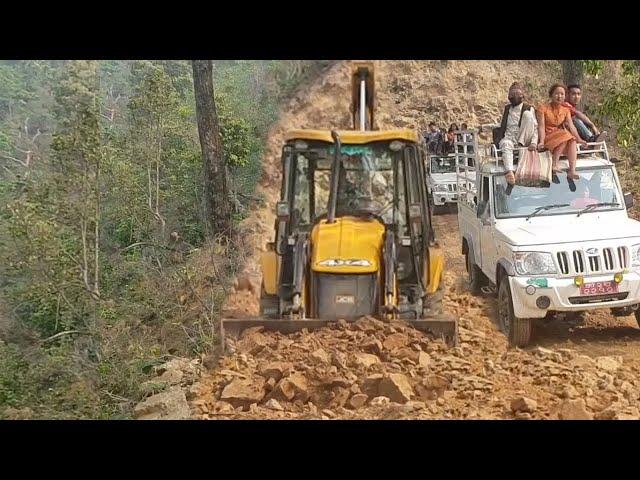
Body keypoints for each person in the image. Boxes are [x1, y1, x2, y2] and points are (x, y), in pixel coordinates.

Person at [536, 83, 587, 182]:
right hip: (548, 136)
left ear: (565, 96)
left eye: (562, 94)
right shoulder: (543, 108)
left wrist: (579, 139)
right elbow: (541, 126)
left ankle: (572, 170)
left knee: (572, 140)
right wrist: (541, 141)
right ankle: (554, 164)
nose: (559, 96)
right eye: (557, 94)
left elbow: (571, 126)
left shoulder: (566, 110)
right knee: (566, 136)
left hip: (561, 137)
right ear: (551, 95)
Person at [494, 82, 539, 185]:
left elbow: (535, 127)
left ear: (522, 95)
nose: (513, 95)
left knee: (527, 115)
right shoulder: (507, 109)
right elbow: (501, 124)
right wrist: (483, 128)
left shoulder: (528, 108)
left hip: (524, 138)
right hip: (509, 138)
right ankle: (509, 171)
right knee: (505, 143)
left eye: (516, 92)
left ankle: (520, 145)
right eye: (511, 93)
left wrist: (534, 143)